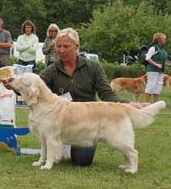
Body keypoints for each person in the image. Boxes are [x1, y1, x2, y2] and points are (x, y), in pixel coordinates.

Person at [34, 28, 147, 167]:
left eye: (66, 46)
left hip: (87, 121)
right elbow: (35, 86)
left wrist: (128, 104)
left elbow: (107, 94)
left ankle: (66, 149)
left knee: (82, 161)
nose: (61, 50)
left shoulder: (93, 67)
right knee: (59, 146)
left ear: (77, 47)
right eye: (58, 46)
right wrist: (15, 86)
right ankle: (61, 147)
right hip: (61, 122)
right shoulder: (52, 69)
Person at [145, 32, 168, 103]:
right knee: (151, 86)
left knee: (158, 87)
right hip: (152, 70)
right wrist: (156, 64)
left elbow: (163, 61)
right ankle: (147, 104)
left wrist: (168, 64)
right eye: (164, 38)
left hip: (161, 71)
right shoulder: (153, 48)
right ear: (159, 39)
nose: (165, 40)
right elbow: (148, 58)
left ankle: (155, 105)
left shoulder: (163, 50)